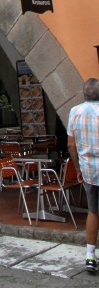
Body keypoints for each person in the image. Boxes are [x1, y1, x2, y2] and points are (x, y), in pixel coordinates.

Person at [67, 78, 99, 274]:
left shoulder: (75, 112)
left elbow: (71, 144)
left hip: (89, 170)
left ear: (84, 94)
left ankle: (90, 255)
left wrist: (78, 168)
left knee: (93, 211)